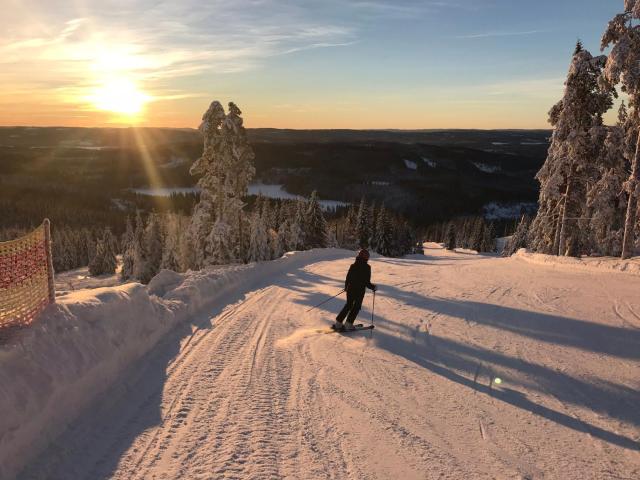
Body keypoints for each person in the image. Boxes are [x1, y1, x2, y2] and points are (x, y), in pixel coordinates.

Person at [334, 249, 377, 331]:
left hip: (350, 289)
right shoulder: (367, 267)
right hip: (359, 291)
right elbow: (366, 282)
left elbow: (348, 278)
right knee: (356, 307)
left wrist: (346, 287)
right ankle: (348, 324)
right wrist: (373, 287)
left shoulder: (353, 265)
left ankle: (338, 323)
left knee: (348, 305)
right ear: (366, 257)